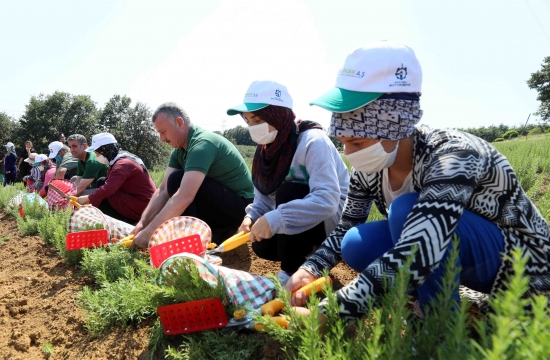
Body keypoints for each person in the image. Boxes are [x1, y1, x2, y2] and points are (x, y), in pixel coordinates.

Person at [286, 41, 550, 323]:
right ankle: (428, 295)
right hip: (460, 258)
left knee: (406, 210)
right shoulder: (371, 167)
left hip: (522, 267)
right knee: (356, 243)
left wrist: (332, 313)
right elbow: (348, 224)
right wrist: (311, 268)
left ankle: (438, 327)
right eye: (344, 143)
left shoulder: (455, 155)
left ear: (395, 126)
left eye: (357, 142)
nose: (350, 155)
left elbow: (422, 243)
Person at [226, 81, 350, 285]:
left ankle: (292, 271)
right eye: (248, 121)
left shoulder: (312, 140)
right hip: (301, 222)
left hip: (332, 224)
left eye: (258, 119)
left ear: (277, 114)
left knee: (290, 191)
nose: (252, 127)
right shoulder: (264, 152)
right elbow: (263, 199)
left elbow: (328, 199)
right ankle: (304, 256)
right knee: (261, 245)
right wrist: (252, 217)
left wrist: (276, 219)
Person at [131, 102, 255, 248]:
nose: (161, 139)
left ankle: (214, 234)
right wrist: (142, 225)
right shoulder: (179, 151)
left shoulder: (202, 144)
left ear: (179, 122)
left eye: (163, 132)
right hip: (220, 202)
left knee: (177, 180)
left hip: (242, 208)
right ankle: (203, 234)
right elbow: (163, 190)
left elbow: (185, 196)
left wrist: (149, 233)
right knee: (173, 181)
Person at [76, 133, 156, 225]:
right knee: (102, 182)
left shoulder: (123, 164)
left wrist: (88, 198)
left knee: (104, 195)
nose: (96, 155)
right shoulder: (120, 158)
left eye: (97, 153)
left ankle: (122, 222)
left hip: (142, 205)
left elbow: (108, 189)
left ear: (106, 150)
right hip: (139, 200)